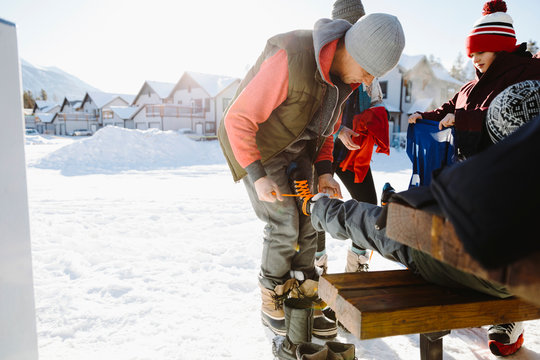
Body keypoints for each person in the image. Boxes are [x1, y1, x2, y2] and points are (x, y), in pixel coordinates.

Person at [309, 80, 540, 357]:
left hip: (466, 262)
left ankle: (325, 222)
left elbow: (384, 228)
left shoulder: (477, 194)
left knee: (393, 229)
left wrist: (322, 209)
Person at [218, 12, 405, 339]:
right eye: (367, 72)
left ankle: (304, 291)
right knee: (284, 223)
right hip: (263, 147)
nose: (366, 82)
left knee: (309, 218)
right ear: (353, 52)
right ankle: (272, 297)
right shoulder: (291, 57)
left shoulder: (343, 80)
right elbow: (238, 119)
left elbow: (327, 131)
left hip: (298, 149)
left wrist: (324, 173)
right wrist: (257, 174)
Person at [407, 0, 540, 161]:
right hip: (471, 172)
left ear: (500, 49)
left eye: (481, 52)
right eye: (471, 55)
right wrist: (425, 117)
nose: (475, 60)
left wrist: (463, 120)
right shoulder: (469, 88)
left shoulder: (525, 75)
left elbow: (514, 114)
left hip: (509, 171)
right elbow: (449, 109)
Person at [315, 0, 389, 275]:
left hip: (353, 152)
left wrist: (374, 120)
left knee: (368, 205)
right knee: (318, 207)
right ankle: (317, 266)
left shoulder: (370, 66)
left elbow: (376, 102)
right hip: (323, 150)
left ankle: (357, 264)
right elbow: (315, 113)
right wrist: (338, 130)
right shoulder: (327, 59)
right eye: (351, 26)